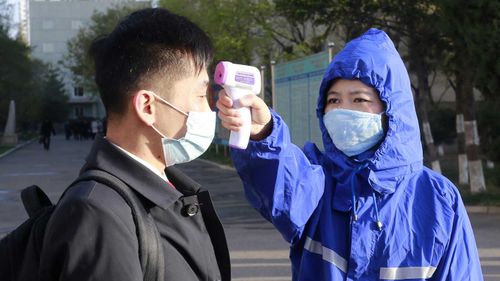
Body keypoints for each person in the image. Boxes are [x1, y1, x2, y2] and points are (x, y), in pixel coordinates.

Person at [217, 28, 483, 280]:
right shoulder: (317, 179)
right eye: (334, 100)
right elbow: (281, 184)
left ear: (391, 110)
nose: (343, 110)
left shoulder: (439, 198)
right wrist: (263, 133)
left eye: (359, 100)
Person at [39, 8, 230, 281]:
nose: (209, 109)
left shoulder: (164, 189)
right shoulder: (97, 215)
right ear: (147, 106)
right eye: (201, 95)